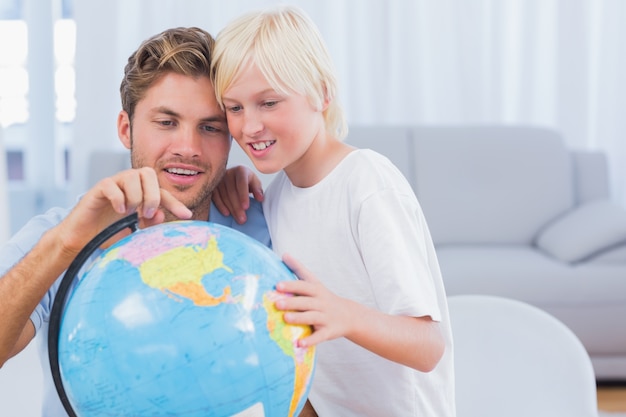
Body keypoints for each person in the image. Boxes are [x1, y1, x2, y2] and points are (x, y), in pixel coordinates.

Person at [0, 27, 268, 417]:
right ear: (126, 129)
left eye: (211, 128)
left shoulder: (259, 226)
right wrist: (66, 244)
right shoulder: (60, 234)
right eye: (166, 122)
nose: (188, 149)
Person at [211, 5, 456, 416]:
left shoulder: (366, 182)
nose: (248, 127)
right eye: (234, 108)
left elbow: (428, 346)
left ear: (322, 93)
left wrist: (342, 313)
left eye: (268, 102)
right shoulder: (278, 198)